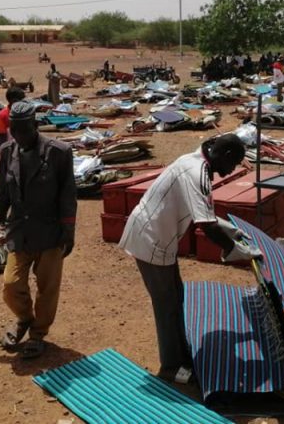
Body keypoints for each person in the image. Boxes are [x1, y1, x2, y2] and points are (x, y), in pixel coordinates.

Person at [118, 134, 261, 383]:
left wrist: (234, 232)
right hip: (151, 239)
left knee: (176, 296)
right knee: (166, 304)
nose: (231, 171)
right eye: (234, 164)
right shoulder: (197, 173)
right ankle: (171, 367)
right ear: (225, 155)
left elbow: (205, 214)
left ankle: (180, 353)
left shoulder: (195, 161)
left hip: (158, 236)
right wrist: (236, 250)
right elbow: (206, 225)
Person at [0, 101, 77, 359]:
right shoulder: (8, 151)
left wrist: (69, 231)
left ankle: (37, 334)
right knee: (11, 284)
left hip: (50, 232)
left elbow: (68, 195)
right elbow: (1, 194)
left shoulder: (59, 152)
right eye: (15, 130)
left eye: (24, 130)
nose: (19, 136)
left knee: (47, 287)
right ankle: (24, 317)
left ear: (35, 125)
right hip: (19, 231)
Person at [0, 86, 26, 168]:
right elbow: (2, 137)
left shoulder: (25, 112)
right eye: (22, 100)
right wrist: (5, 153)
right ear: (14, 101)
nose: (25, 102)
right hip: (10, 150)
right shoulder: (2, 115)